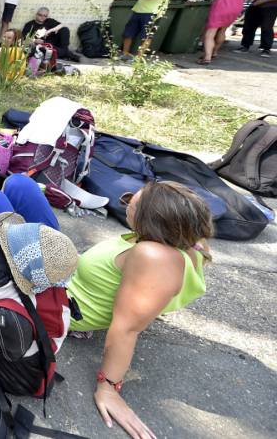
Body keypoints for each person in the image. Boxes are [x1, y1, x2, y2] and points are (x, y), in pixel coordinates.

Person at [66, 181, 212, 439]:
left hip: (61, 306)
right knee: (19, 190)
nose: (126, 205)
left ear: (153, 221)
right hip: (66, 280)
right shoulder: (187, 240)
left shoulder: (154, 256)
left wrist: (109, 388)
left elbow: (127, 328)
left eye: (132, 204)